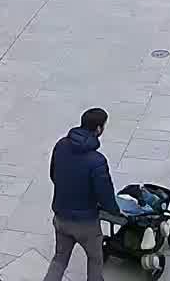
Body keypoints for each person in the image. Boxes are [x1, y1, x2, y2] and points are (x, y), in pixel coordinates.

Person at [41, 107, 119, 281]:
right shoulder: (97, 161)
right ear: (99, 129)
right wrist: (114, 211)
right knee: (95, 259)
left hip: (61, 217)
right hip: (86, 224)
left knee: (59, 259)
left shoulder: (61, 145)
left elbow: (53, 175)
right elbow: (105, 195)